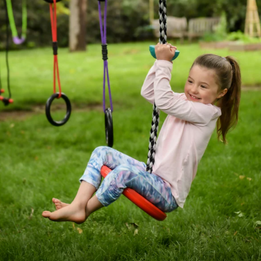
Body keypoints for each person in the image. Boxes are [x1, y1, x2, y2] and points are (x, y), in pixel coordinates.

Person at [42, 43, 242, 223]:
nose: (193, 89)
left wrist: (165, 63)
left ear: (221, 93)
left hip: (167, 192)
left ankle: (83, 211)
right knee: (102, 152)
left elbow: (163, 101)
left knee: (123, 173)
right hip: (152, 175)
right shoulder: (184, 101)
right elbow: (149, 92)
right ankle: (78, 204)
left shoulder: (206, 113)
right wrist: (158, 62)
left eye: (203, 86)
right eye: (190, 81)